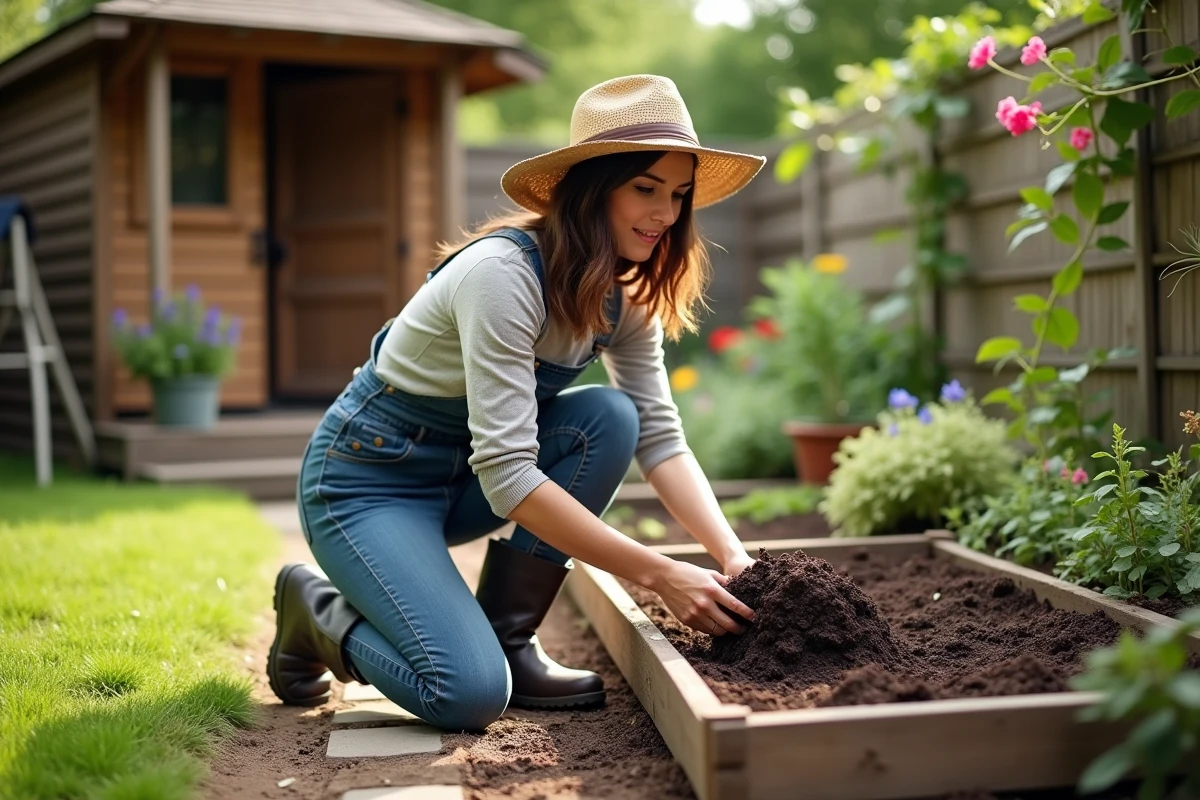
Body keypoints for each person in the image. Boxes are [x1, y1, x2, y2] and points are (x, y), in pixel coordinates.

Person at [267, 75, 766, 732]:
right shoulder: (501, 277)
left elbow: (659, 438)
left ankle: (509, 640)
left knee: (612, 418)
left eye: (678, 194)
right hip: (368, 483)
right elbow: (507, 476)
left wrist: (732, 557)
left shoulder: (625, 298)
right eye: (645, 189)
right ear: (590, 189)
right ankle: (316, 614)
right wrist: (659, 573)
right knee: (466, 694)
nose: (666, 214)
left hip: (461, 481)